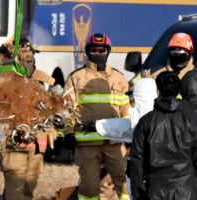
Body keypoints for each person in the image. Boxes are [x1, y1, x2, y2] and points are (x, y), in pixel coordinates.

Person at [0, 38, 57, 200]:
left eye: (31, 56)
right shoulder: (3, 82)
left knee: (28, 191)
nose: (30, 60)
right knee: (15, 193)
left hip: (35, 147)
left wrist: (51, 131)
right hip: (13, 146)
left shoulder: (40, 80)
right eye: (26, 56)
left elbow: (46, 111)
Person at [64, 33, 130, 200]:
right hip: (87, 143)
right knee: (89, 186)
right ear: (88, 51)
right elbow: (67, 108)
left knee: (123, 184)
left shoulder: (118, 78)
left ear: (108, 52)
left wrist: (131, 132)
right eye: (94, 50)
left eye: (102, 50)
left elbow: (126, 107)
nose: (98, 53)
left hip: (114, 142)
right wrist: (68, 132)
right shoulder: (76, 78)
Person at [129, 71, 197, 200]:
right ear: (179, 91)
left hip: (155, 189)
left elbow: (137, 159)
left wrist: (137, 191)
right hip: (186, 188)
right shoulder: (192, 119)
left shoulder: (146, 121)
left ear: (157, 90)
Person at [95, 78, 157, 142]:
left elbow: (122, 127)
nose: (130, 100)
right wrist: (97, 126)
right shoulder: (161, 118)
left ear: (141, 97)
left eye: (132, 97)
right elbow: (119, 126)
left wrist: (97, 126)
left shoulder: (145, 123)